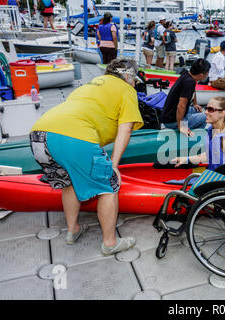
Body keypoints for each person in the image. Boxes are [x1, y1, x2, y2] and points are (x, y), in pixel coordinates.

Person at [29, 58, 143, 256]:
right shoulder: (126, 90)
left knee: (69, 182)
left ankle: (72, 231)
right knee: (109, 186)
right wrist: (114, 165)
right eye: (135, 80)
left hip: (39, 135)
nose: (135, 84)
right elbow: (125, 129)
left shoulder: (89, 85)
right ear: (127, 76)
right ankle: (109, 242)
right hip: (74, 137)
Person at [171, 97, 225, 170]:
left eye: (210, 110)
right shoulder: (212, 130)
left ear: (223, 113)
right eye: (206, 108)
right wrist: (186, 159)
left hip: (219, 180)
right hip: (212, 176)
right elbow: (209, 155)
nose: (205, 112)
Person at [160, 58, 210, 136]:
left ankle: (189, 130)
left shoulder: (187, 75)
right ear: (201, 75)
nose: (207, 76)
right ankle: (192, 138)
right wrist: (181, 126)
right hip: (172, 121)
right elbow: (181, 106)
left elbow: (193, 91)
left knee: (197, 110)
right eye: (206, 74)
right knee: (206, 116)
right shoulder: (189, 82)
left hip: (168, 114)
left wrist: (195, 103)